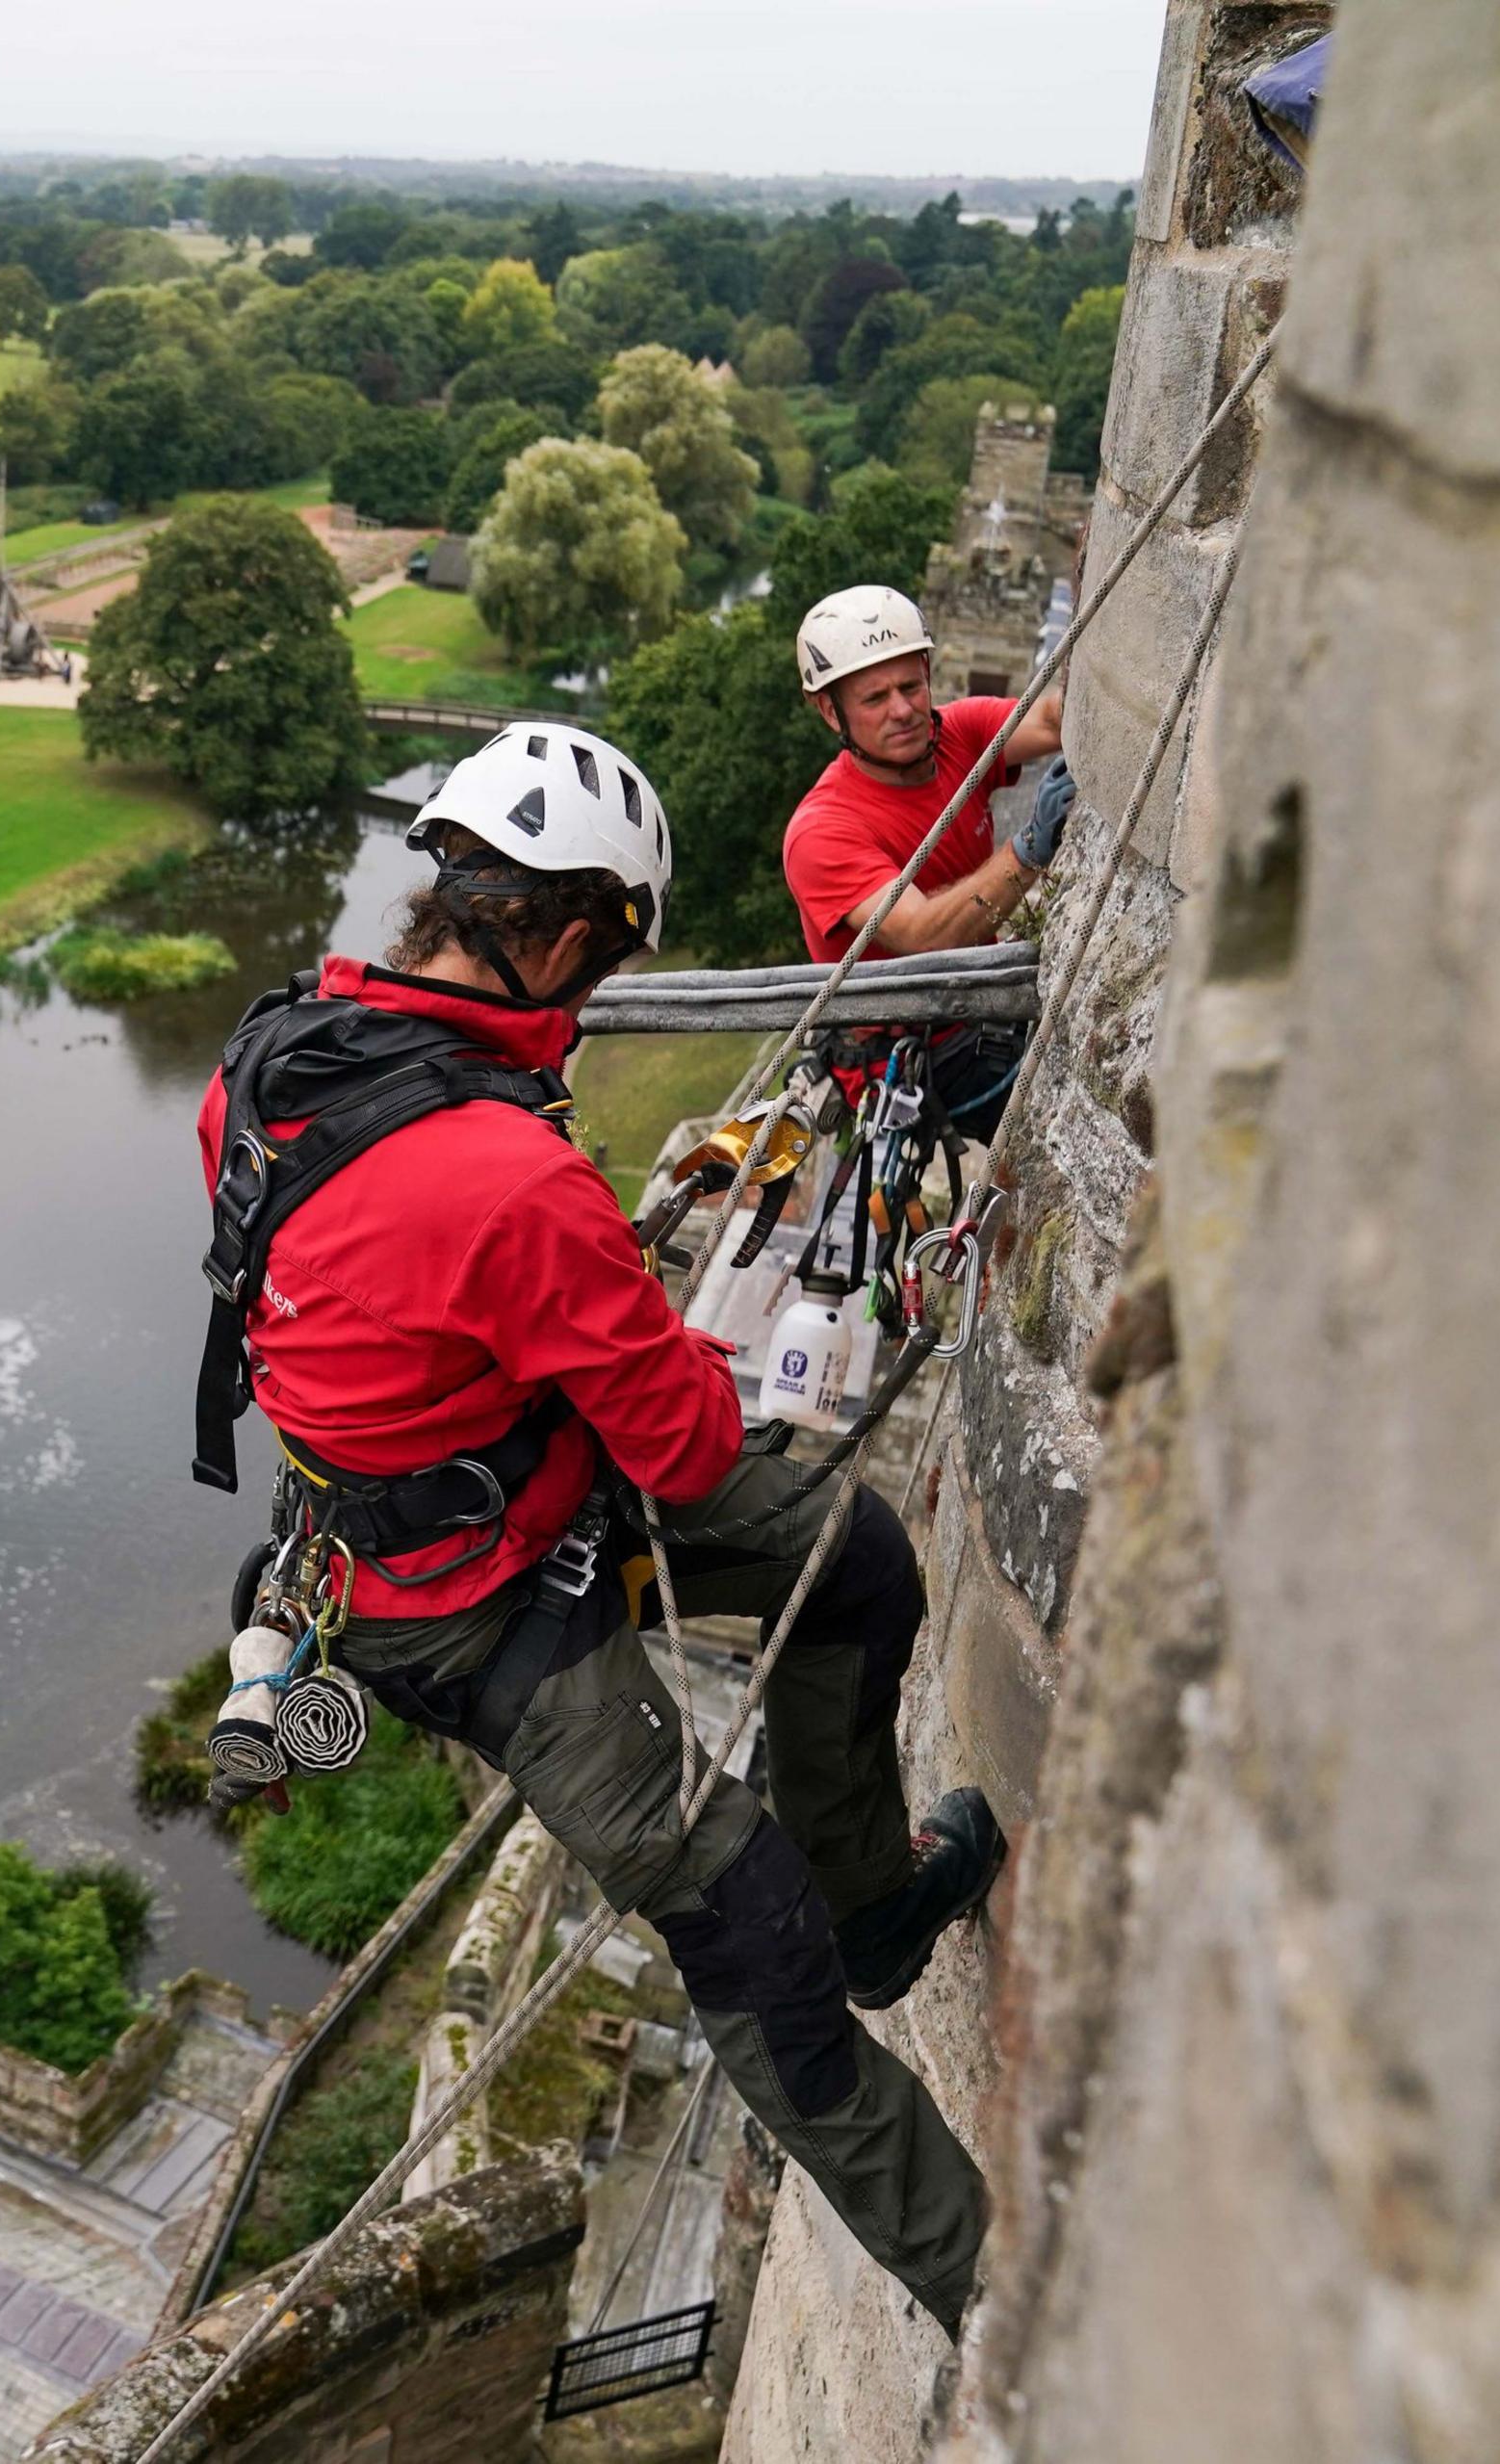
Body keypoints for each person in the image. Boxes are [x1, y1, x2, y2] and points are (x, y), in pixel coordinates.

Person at [192, 723, 1002, 2333]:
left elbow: (361, 1302)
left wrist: (551, 1322)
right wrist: (624, 1316)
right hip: (475, 1613)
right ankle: (999, 2286)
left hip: (477, 1493)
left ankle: (881, 1909)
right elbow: (690, 1440)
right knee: (744, 1929)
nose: (583, 1003)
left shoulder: (272, 1059)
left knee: (853, 1557)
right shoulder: (505, 1173)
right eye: (597, 966)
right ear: (562, 939)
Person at [785, 585, 1078, 1142]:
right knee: (1062, 1129)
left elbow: (1049, 719)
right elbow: (922, 934)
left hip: (982, 1007)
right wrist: (1031, 846)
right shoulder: (823, 830)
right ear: (830, 711)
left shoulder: (957, 736)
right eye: (875, 699)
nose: (903, 710)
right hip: (920, 1052)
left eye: (911, 686)